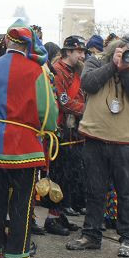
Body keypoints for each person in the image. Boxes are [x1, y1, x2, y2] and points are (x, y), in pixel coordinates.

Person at [0, 24, 58, 258]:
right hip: (25, 147)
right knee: (22, 204)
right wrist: (45, 131)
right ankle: (16, 257)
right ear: (27, 46)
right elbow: (48, 115)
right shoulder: (36, 71)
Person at [66, 33, 129, 257]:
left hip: (126, 142)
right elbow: (88, 84)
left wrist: (126, 71)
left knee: (127, 193)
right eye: (126, 50)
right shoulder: (97, 61)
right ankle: (91, 235)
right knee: (94, 190)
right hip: (96, 137)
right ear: (117, 47)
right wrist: (113, 66)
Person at [44, 35, 88, 235]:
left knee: (71, 177)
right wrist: (88, 110)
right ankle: (52, 218)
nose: (82, 55)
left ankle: (60, 214)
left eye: (83, 52)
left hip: (74, 132)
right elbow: (63, 102)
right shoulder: (59, 72)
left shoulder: (77, 72)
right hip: (62, 133)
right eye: (79, 51)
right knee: (59, 176)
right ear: (68, 52)